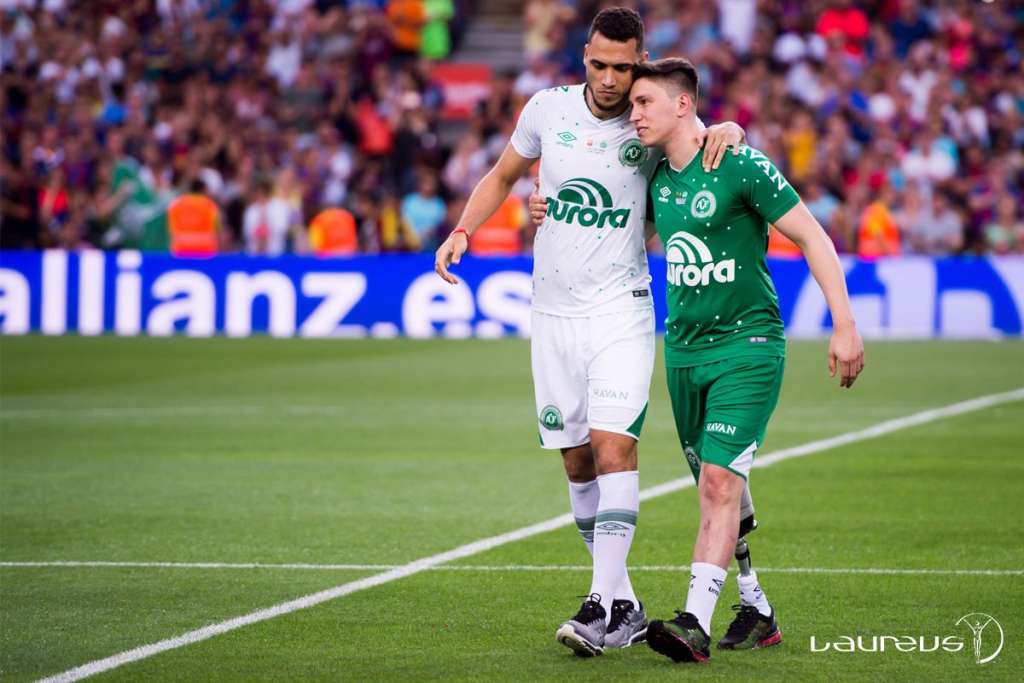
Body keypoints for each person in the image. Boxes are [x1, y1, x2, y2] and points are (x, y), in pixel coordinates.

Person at [434, 8, 744, 657]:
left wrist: (731, 128)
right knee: (576, 459)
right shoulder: (546, 111)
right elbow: (502, 176)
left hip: (620, 310)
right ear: (584, 56)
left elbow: (697, 136)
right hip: (552, 311)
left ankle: (599, 601)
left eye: (622, 68)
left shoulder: (647, 121)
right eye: (598, 64)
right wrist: (465, 227)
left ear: (640, 63)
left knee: (612, 448)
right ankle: (624, 601)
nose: (609, 79)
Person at [623, 57, 864, 663]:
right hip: (682, 353)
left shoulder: (739, 163)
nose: (634, 114)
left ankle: (692, 623)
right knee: (719, 488)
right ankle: (755, 607)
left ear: (682, 104)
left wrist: (845, 325)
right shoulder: (653, 178)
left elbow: (813, 236)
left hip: (748, 346)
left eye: (644, 103)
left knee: (719, 481)